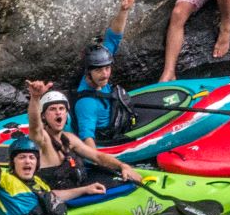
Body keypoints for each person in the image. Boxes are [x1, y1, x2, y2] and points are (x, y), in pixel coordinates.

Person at [16, 80, 147, 192]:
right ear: (43, 116)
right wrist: (35, 98)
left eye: (61, 109)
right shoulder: (43, 140)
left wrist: (123, 166)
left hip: (80, 186)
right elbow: (34, 126)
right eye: (52, 109)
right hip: (62, 199)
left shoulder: (68, 138)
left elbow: (97, 156)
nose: (58, 113)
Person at [69, 0, 140, 148]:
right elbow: (87, 138)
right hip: (108, 138)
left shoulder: (99, 61)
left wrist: (123, 10)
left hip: (118, 118)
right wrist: (98, 160)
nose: (105, 74)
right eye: (99, 71)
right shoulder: (86, 104)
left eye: (107, 68)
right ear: (88, 72)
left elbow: (113, 37)